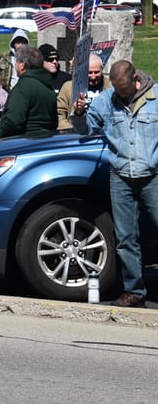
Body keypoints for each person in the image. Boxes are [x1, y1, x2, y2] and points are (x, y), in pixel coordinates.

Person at [72, 60, 158, 307]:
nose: (121, 94)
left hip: (152, 174)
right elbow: (86, 129)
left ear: (135, 79)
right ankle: (134, 290)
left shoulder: (155, 97)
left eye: (125, 89)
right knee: (125, 236)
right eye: (117, 90)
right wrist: (79, 113)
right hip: (121, 175)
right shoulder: (106, 100)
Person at [0, 45, 58, 138]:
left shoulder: (23, 87)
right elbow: (54, 122)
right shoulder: (48, 87)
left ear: (22, 65)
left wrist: (0, 137)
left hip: (24, 143)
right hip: (44, 142)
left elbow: (13, 121)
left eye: (16, 62)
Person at [57, 54, 103, 132]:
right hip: (76, 136)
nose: (93, 76)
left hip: (101, 136)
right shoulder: (69, 87)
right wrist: (69, 128)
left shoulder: (109, 86)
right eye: (90, 72)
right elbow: (59, 112)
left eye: (96, 72)